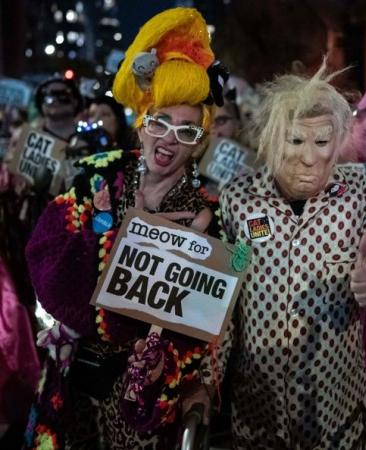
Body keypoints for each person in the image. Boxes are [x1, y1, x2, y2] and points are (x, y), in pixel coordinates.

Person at [23, 8, 225, 449]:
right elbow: (44, 261)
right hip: (71, 383)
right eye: (161, 123)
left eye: (187, 132)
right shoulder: (97, 178)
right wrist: (114, 245)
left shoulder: (209, 214)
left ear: (199, 143)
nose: (169, 139)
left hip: (139, 402)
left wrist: (158, 362)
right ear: (143, 122)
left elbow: (201, 328)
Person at [193, 61, 366, 449]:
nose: (310, 158)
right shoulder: (239, 198)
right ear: (272, 139)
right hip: (256, 411)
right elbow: (224, 296)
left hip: (335, 412)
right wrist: (205, 381)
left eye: (321, 142)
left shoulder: (361, 195)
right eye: (295, 141)